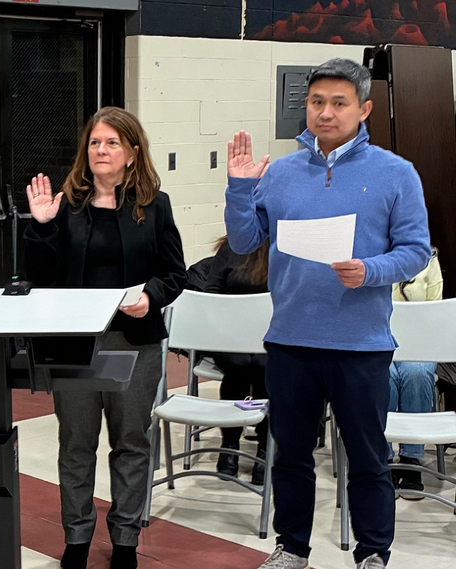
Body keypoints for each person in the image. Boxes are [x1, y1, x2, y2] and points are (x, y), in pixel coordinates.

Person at [224, 58, 431, 569]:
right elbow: (245, 240)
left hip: (361, 344)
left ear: (364, 109)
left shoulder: (395, 173)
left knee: (366, 458)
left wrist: (371, 270)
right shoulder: (283, 172)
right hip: (291, 339)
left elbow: (416, 250)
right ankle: (292, 548)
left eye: (339, 103)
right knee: (290, 456)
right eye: (317, 102)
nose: (325, 113)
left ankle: (373, 553)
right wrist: (237, 187)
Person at [23, 106, 187, 569]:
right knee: (75, 443)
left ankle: (125, 543)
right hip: (75, 343)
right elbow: (39, 275)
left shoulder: (155, 206)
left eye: (112, 142)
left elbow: (174, 273)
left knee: (131, 442)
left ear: (133, 152)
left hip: (133, 342)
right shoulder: (66, 205)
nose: (101, 150)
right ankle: (76, 540)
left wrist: (151, 296)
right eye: (95, 142)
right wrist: (40, 226)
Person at [203, 236, 270, 484]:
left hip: (271, 339)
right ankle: (230, 442)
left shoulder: (285, 246)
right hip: (229, 337)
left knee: (263, 366)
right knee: (240, 364)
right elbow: (212, 291)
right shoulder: (230, 247)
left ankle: (265, 445)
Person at [388, 247, 443, 495]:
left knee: (417, 373)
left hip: (420, 342)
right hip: (381, 342)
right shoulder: (373, 255)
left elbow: (435, 312)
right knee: (383, 376)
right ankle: (383, 458)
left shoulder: (429, 260)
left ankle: (411, 460)